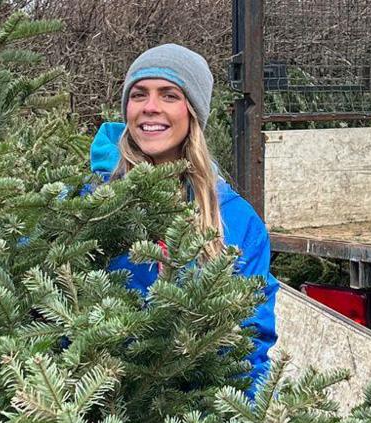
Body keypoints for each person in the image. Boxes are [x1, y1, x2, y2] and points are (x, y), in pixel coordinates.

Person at [88, 43, 279, 399]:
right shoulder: (89, 205)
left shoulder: (237, 222)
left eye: (169, 95)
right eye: (139, 94)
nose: (150, 107)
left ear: (193, 112)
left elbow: (249, 348)